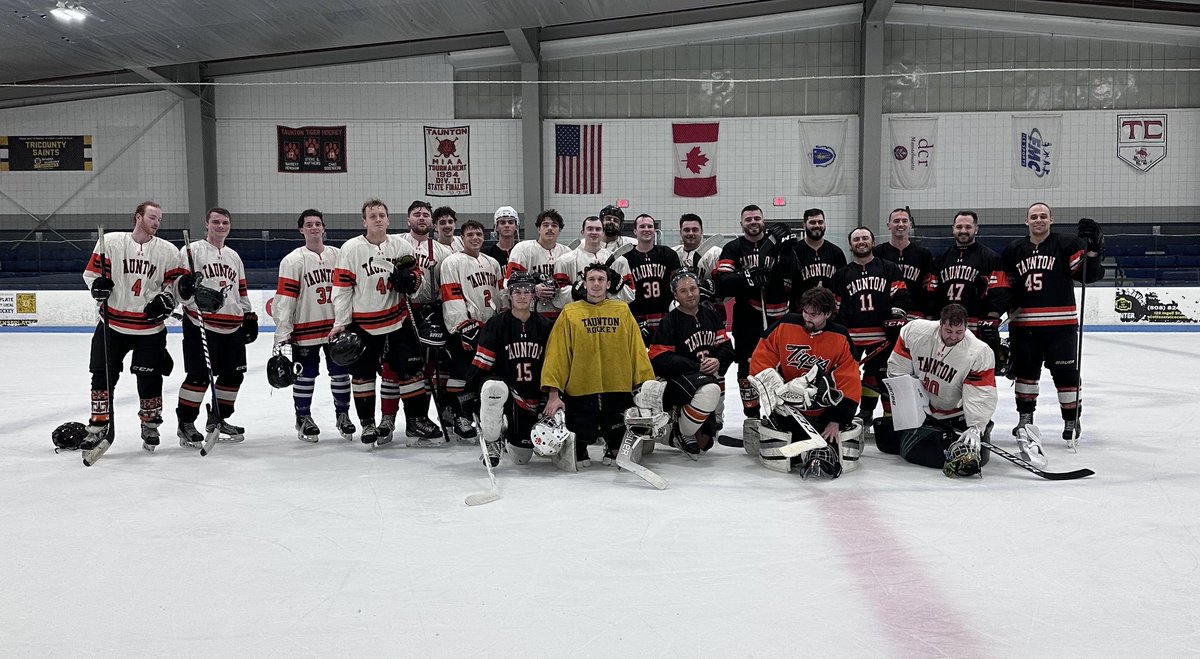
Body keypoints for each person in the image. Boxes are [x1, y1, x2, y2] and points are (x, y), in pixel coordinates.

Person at [331, 198, 440, 447]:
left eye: (382, 215)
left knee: (411, 371)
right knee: (362, 376)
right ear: (364, 221)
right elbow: (342, 289)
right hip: (363, 323)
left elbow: (417, 278)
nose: (378, 219)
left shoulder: (401, 246)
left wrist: (411, 282)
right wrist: (341, 322)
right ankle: (368, 423)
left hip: (397, 319)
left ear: (388, 219)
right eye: (373, 216)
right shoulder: (351, 249)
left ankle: (416, 420)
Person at [78, 200, 182, 457]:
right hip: (112, 324)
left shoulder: (168, 251)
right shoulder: (111, 242)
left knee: (150, 378)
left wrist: (167, 300)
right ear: (138, 217)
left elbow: (175, 286)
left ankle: (150, 424)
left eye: (159, 219)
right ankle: (99, 424)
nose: (157, 223)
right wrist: (97, 287)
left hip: (150, 329)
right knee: (102, 376)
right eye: (152, 218)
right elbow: (91, 274)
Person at [1002, 203, 1104, 444]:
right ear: (1026, 221)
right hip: (1024, 326)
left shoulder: (1066, 244)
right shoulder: (1014, 250)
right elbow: (1004, 285)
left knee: (1066, 374)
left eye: (1043, 216)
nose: (1039, 220)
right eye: (1034, 217)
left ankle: (1071, 419)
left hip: (1061, 325)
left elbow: (1087, 275)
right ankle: (1025, 419)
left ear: (1051, 220)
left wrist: (1094, 251)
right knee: (1025, 375)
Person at [542, 263, 655, 467]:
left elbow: (636, 350)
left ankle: (613, 443)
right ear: (584, 283)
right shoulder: (570, 312)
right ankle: (582, 443)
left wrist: (645, 386)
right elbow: (557, 355)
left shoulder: (621, 310)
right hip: (580, 390)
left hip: (618, 388)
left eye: (601, 280)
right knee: (578, 447)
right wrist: (553, 394)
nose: (596, 284)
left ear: (608, 284)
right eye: (591, 279)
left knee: (618, 441)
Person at [747, 287, 863, 478]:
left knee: (830, 447)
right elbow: (762, 356)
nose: (807, 318)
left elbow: (849, 381)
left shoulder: (840, 337)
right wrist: (777, 393)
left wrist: (837, 420)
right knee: (788, 454)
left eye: (814, 314)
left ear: (827, 314)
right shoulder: (785, 325)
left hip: (823, 409)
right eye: (805, 312)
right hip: (788, 406)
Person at [712, 204, 798, 441]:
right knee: (747, 368)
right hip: (748, 315)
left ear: (763, 220)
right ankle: (752, 419)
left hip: (780, 316)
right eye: (748, 219)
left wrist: (788, 249)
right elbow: (724, 281)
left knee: (782, 367)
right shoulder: (734, 247)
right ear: (741, 223)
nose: (753, 222)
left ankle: (783, 418)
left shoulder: (777, 245)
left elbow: (792, 276)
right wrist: (746, 276)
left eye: (757, 218)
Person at [882, 303, 998, 477]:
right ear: (940, 324)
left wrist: (975, 426)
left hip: (955, 413)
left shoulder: (979, 352)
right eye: (948, 331)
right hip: (923, 408)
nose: (953, 337)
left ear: (966, 327)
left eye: (959, 332)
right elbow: (898, 369)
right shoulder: (916, 332)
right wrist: (910, 399)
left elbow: (980, 394)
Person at [175, 207, 257, 447]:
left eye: (225, 222)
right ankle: (186, 423)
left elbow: (240, 290)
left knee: (233, 375)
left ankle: (218, 419)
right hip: (200, 322)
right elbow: (179, 287)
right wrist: (189, 295)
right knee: (199, 376)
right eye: (216, 222)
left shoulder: (233, 256)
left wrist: (248, 314)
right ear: (207, 225)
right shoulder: (192, 251)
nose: (221, 226)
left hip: (232, 325)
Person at [271, 208, 354, 442]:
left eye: (318, 223)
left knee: (340, 374)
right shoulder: (293, 260)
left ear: (324, 228)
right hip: (305, 327)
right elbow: (285, 299)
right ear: (301, 230)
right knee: (305, 375)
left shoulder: (339, 255)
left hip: (335, 327)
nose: (314, 227)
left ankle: (343, 415)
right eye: (309, 224)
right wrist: (283, 330)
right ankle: (303, 416)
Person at [465, 273, 560, 468]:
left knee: (520, 458)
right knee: (493, 388)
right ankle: (493, 439)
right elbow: (483, 362)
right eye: (517, 292)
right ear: (509, 295)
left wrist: (551, 395)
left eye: (527, 292)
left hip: (532, 396)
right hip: (506, 390)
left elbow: (553, 365)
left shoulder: (545, 326)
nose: (522, 296)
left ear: (533, 295)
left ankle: (508, 430)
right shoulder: (496, 324)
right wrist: (469, 394)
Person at [829, 226, 911, 434]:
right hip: (852, 337)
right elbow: (835, 308)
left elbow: (900, 294)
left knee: (881, 376)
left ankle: (888, 420)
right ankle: (860, 413)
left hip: (882, 336)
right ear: (850, 245)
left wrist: (896, 318)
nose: (861, 242)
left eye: (865, 238)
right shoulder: (841, 275)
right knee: (849, 377)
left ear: (872, 242)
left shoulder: (889, 268)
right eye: (856, 239)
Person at [646, 270, 734, 453]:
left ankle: (676, 431)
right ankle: (677, 428)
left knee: (704, 444)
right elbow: (658, 358)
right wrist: (695, 366)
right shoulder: (669, 321)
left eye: (693, 288)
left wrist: (718, 360)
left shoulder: (711, 315)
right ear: (675, 295)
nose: (690, 294)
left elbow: (727, 347)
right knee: (711, 390)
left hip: (708, 378)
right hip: (681, 381)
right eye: (683, 291)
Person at [438, 219, 504, 441]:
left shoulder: (492, 263)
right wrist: (462, 325)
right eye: (470, 235)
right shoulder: (452, 262)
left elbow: (500, 295)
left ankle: (479, 414)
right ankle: (459, 415)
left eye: (478, 234)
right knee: (460, 373)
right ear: (462, 237)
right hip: (466, 329)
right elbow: (451, 295)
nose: (475, 238)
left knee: (484, 374)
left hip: (490, 328)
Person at [398, 200, 455, 438]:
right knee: (403, 368)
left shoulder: (444, 251)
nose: (421, 218)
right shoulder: (397, 244)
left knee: (434, 367)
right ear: (408, 219)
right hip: (403, 313)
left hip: (432, 312)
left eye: (425, 215)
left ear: (431, 221)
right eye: (416, 214)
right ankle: (397, 419)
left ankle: (435, 414)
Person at [926, 210, 1010, 352]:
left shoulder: (991, 258)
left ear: (976, 229)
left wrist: (992, 317)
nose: (963, 231)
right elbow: (931, 292)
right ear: (953, 229)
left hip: (977, 326)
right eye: (959, 227)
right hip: (946, 328)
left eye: (968, 227)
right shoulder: (941, 260)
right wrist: (931, 319)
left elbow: (999, 290)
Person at [618, 213, 681, 340]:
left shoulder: (668, 254)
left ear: (654, 230)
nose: (646, 229)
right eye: (642, 226)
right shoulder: (625, 258)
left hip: (665, 316)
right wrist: (634, 318)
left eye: (649, 226)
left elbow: (677, 285)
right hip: (638, 318)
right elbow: (624, 293)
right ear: (635, 231)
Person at [551, 215, 633, 311]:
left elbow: (631, 294)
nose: (594, 232)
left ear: (603, 233)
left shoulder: (620, 261)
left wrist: (618, 287)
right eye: (590, 229)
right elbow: (557, 298)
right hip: (579, 316)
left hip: (610, 317)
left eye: (598, 229)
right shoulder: (564, 261)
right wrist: (574, 291)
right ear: (582, 232)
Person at [504, 209, 571, 320]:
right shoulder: (523, 249)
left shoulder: (567, 253)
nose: (550, 228)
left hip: (561, 314)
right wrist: (533, 289)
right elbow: (509, 283)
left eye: (554, 225)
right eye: (545, 225)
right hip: (530, 313)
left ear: (560, 230)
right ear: (539, 229)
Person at [873, 208, 933, 318]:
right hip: (885, 313)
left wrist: (929, 314)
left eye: (904, 221)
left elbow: (928, 289)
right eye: (896, 221)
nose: (900, 224)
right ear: (889, 225)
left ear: (910, 225)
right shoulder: (878, 252)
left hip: (916, 314)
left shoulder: (923, 254)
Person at [674, 212, 725, 325]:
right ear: (680, 232)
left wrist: (711, 287)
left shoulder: (714, 253)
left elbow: (725, 284)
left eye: (695, 230)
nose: (691, 233)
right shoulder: (673, 253)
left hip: (710, 311)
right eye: (687, 230)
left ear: (702, 232)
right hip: (681, 312)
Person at [791, 208, 846, 301]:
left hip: (829, 311)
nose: (817, 225)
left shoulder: (836, 252)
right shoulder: (794, 252)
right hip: (801, 310)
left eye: (820, 222)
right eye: (812, 222)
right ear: (804, 225)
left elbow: (843, 285)